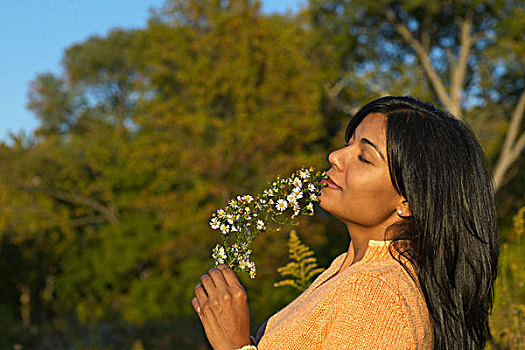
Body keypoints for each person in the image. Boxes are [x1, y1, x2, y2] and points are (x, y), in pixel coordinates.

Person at [192, 96, 499, 349]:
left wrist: (233, 344)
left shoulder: (379, 295)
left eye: (364, 157)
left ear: (408, 202)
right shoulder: (350, 269)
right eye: (348, 143)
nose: (336, 156)